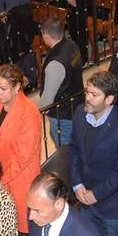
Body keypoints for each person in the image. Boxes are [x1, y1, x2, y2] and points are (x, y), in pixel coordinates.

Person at [69, 70, 118, 236]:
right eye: (87, 92)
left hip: (113, 203)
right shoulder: (79, 113)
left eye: (94, 95)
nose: (87, 98)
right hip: (84, 197)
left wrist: (97, 194)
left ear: (109, 99)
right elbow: (74, 150)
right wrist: (77, 184)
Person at [0, 63, 42, 236]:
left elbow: (23, 157)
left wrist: (0, 178)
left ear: (17, 87)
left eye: (3, 89)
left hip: (19, 181)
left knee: (20, 232)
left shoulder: (29, 113)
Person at [36, 16, 83, 147]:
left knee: (65, 155)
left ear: (45, 36)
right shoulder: (72, 45)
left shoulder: (55, 64)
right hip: (77, 105)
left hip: (63, 115)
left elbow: (47, 100)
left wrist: (36, 113)